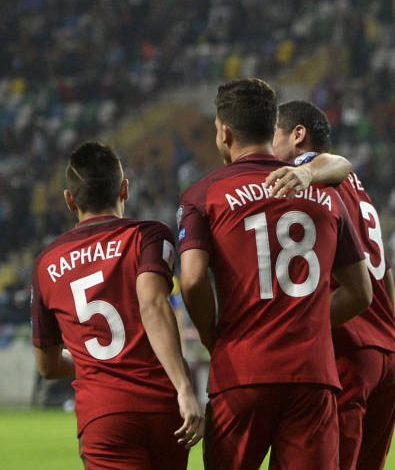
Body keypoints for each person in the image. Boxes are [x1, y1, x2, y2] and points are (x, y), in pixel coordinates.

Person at [177, 78, 372, 470]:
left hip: (242, 370)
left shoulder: (204, 194)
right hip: (312, 375)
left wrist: (214, 338)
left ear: (225, 132)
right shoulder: (323, 192)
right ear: (271, 128)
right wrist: (306, 321)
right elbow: (361, 292)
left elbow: (194, 280)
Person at [31, 141, 203, 469]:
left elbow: (48, 366)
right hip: (163, 406)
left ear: (70, 200)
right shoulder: (150, 235)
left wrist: (95, 360)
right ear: (124, 189)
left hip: (104, 413)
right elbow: (153, 303)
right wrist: (185, 388)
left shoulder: (46, 263)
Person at [269, 99, 395, 470]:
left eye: (272, 136)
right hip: (389, 354)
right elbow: (387, 282)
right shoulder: (359, 191)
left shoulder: (308, 172)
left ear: (298, 136)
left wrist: (305, 172)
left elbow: (333, 161)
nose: (267, 148)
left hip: (348, 351)